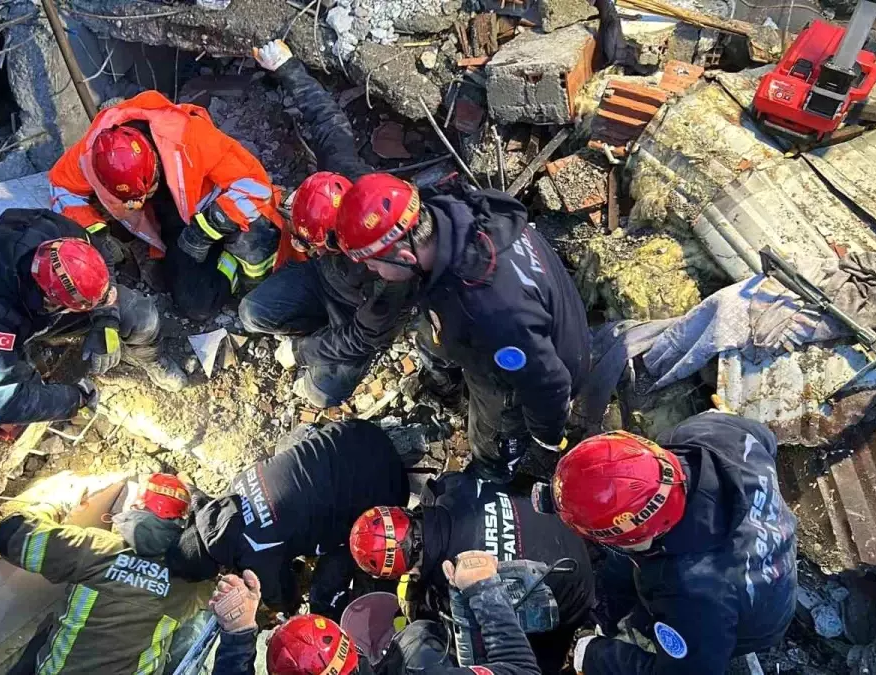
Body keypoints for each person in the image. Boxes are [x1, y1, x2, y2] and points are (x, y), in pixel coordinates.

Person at [331, 173, 590, 483]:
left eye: (373, 263)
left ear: (406, 255)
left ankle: (494, 473)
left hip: (533, 370)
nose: (371, 270)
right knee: (431, 340)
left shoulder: (488, 312)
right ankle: (448, 390)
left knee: (492, 436)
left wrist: (547, 436)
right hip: (540, 314)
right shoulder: (458, 207)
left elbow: (549, 383)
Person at [538, 413, 797, 674]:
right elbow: (768, 441)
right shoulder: (707, 434)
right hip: (764, 546)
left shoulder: (690, 590)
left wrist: (594, 655)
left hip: (756, 621)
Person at [238, 40, 415, 408]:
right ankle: (312, 325)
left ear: (344, 240)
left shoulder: (391, 271)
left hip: (357, 314)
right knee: (252, 314)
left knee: (321, 394)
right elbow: (325, 118)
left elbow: (362, 336)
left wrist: (302, 352)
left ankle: (317, 344)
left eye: (317, 244)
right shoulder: (342, 174)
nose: (312, 249)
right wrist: (287, 67)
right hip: (324, 281)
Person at [0, 208, 185, 426]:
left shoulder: (56, 233)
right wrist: (76, 398)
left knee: (140, 315)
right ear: (52, 301)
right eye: (81, 307)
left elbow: (100, 260)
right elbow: (0, 404)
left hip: (28, 303)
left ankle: (152, 361)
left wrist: (105, 320)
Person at [48, 89, 284, 321]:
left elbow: (255, 186)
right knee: (196, 305)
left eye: (145, 191)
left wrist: (205, 229)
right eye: (129, 200)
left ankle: (235, 261)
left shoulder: (189, 138)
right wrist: (96, 233)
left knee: (256, 262)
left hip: (218, 213)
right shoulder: (91, 157)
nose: (137, 204)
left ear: (155, 164)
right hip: (177, 226)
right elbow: (60, 186)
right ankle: (225, 266)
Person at [348, 472, 594, 672]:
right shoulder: (451, 487)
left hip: (575, 596)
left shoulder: (451, 586)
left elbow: (481, 640)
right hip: (573, 525)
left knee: (522, 644)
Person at [165, 420, 409, 617]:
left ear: (216, 568)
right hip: (357, 432)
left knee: (323, 594)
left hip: (385, 485)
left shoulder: (253, 550)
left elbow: (283, 596)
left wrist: (284, 609)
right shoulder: (233, 488)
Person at [0, 473, 212, 675]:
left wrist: (57, 506)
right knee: (199, 621)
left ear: (135, 506)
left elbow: (9, 535)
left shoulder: (95, 549)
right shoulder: (190, 583)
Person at [209, 551, 540, 675]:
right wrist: (484, 590)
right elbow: (522, 670)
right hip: (419, 650)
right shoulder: (418, 661)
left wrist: (238, 635)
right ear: (350, 649)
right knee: (419, 635)